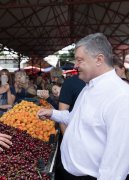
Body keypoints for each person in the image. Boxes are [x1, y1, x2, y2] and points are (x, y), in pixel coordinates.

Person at [38, 33, 129, 180]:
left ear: (99, 59)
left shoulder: (121, 97)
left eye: (80, 60)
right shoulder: (89, 87)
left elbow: (117, 162)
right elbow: (76, 118)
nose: (75, 65)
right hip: (67, 171)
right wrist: (53, 114)